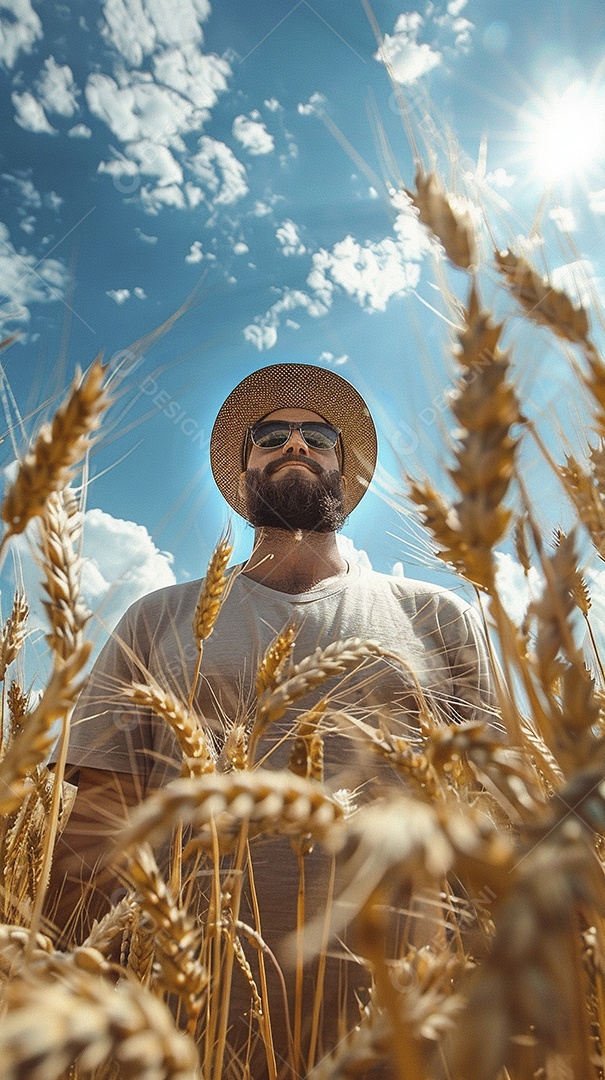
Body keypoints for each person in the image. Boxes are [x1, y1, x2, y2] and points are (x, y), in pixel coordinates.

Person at [50, 362, 499, 1076]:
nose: (295, 445)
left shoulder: (440, 618)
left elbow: (493, 812)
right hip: (190, 1015)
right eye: (271, 435)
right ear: (243, 469)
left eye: (317, 436)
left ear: (344, 473)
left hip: (405, 1015)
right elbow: (95, 824)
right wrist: (56, 981)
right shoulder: (156, 619)